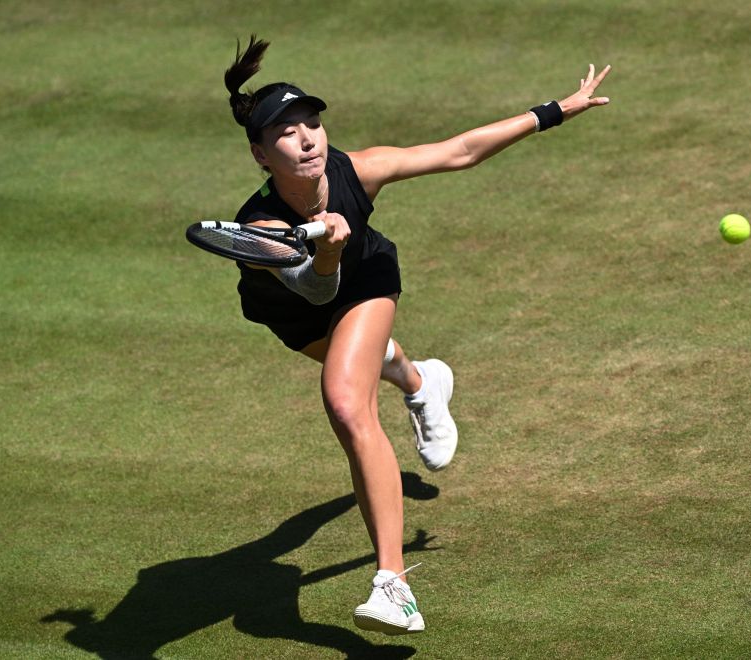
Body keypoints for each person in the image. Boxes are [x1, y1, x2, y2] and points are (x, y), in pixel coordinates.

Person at [221, 35, 611, 636]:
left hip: (366, 280)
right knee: (368, 362)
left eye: (313, 125)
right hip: (297, 310)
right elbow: (315, 293)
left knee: (347, 404)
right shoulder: (260, 228)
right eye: (287, 133)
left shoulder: (358, 170)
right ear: (260, 154)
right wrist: (326, 250)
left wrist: (554, 111)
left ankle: (393, 586)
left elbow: (458, 151)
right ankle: (423, 382)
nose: (308, 140)